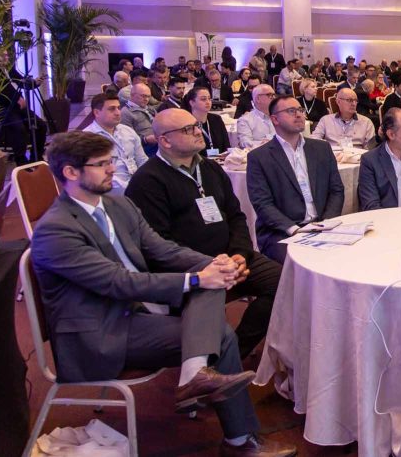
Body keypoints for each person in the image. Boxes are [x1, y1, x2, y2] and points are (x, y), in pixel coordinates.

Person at [31, 131, 296, 457]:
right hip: (100, 330)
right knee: (220, 329)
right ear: (70, 172)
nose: (112, 169)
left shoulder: (117, 204)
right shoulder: (56, 230)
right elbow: (118, 282)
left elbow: (162, 249)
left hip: (136, 311)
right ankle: (235, 433)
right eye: (101, 164)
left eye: (110, 161)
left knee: (210, 285)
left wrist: (215, 264)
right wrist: (198, 278)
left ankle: (199, 382)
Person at [126, 109, 282, 361]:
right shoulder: (147, 181)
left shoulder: (210, 167)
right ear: (165, 140)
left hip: (231, 256)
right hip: (191, 269)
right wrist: (212, 266)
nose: (199, 132)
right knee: (208, 302)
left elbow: (236, 215)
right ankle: (219, 356)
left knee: (283, 282)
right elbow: (158, 244)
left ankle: (235, 350)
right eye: (188, 129)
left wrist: (240, 255)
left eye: (196, 126)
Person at [247, 96, 345, 263]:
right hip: (282, 231)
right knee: (305, 261)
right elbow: (262, 203)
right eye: (291, 111)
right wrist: (294, 230)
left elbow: (336, 190)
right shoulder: (259, 157)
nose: (299, 115)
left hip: (321, 225)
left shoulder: (321, 148)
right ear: (275, 119)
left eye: (300, 110)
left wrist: (327, 223)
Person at [84, 92, 147, 192]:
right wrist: (133, 188)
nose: (118, 113)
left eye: (118, 108)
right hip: (111, 190)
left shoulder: (127, 131)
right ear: (97, 112)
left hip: (138, 184)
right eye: (112, 109)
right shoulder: (88, 138)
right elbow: (95, 174)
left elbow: (142, 160)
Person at [312, 88, 376, 149]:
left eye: (356, 101)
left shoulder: (366, 122)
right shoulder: (326, 120)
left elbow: (371, 148)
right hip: (332, 154)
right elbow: (314, 140)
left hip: (357, 155)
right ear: (338, 102)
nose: (354, 104)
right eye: (349, 100)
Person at [186, 86, 231, 156]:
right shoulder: (187, 123)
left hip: (220, 160)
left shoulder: (216, 119)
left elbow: (226, 145)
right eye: (203, 99)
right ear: (192, 103)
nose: (208, 102)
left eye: (209, 98)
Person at [121, 82, 159, 156]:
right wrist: (145, 140)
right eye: (143, 96)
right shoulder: (125, 113)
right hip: (144, 148)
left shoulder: (150, 108)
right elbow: (128, 140)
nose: (146, 99)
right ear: (132, 95)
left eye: (148, 96)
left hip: (159, 142)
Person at [235, 84, 276, 149]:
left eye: (274, 95)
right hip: (259, 154)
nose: (274, 98)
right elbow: (245, 144)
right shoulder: (245, 120)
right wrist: (268, 144)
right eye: (270, 95)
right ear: (258, 99)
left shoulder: (280, 117)